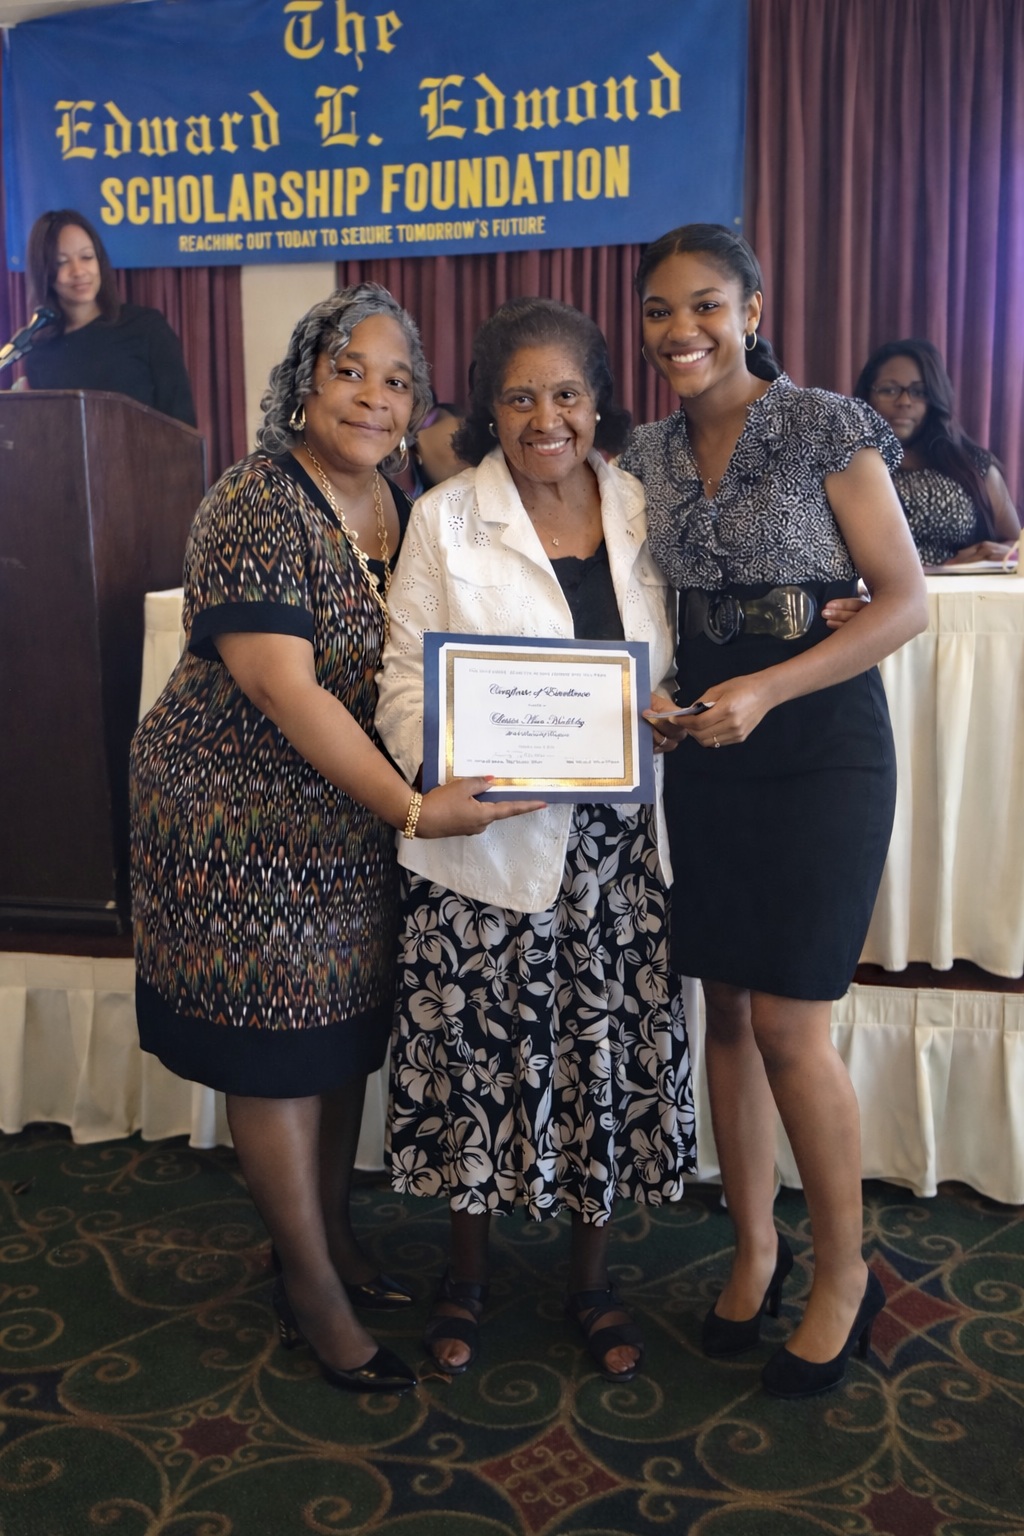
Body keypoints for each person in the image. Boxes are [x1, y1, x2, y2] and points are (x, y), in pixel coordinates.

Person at [130, 283, 538, 1397]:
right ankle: (306, 1282)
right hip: (240, 816)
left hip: (346, 822)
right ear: (303, 380)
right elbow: (284, 689)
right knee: (275, 1048)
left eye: (397, 378)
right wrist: (413, 808)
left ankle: (336, 1238)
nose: (373, 394)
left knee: (338, 1033)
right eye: (348, 368)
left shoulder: (400, 499)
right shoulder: (255, 499)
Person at [619, 225, 928, 1398]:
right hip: (704, 743)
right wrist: (653, 682)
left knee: (794, 1023)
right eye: (657, 311)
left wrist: (768, 686)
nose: (679, 331)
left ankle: (844, 1273)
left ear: (752, 307)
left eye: (703, 305)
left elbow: (901, 606)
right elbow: (629, 591)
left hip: (818, 739)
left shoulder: (825, 423)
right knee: (729, 1015)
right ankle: (755, 1245)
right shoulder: (640, 450)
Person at [375, 297, 696, 1384]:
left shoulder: (647, 507)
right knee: (478, 1069)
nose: (543, 417)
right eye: (518, 397)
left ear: (599, 403)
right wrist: (453, 761)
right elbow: (403, 683)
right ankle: (463, 1276)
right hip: (484, 842)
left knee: (598, 1063)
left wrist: (667, 708)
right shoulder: (444, 518)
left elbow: (679, 659)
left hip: (615, 856)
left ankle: (589, 1280)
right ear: (487, 408)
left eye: (565, 394)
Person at [853, 338, 1019, 566]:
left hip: (967, 597)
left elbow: (1015, 544)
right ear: (867, 395)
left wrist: (1002, 555)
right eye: (889, 390)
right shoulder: (846, 466)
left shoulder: (972, 465)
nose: (904, 401)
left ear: (935, 399)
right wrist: (940, 569)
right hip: (878, 599)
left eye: (918, 392)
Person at [22, 208, 196, 425]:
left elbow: (182, 425)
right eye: (61, 262)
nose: (78, 271)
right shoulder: (39, 353)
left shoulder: (146, 327)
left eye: (86, 257)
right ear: (44, 273)